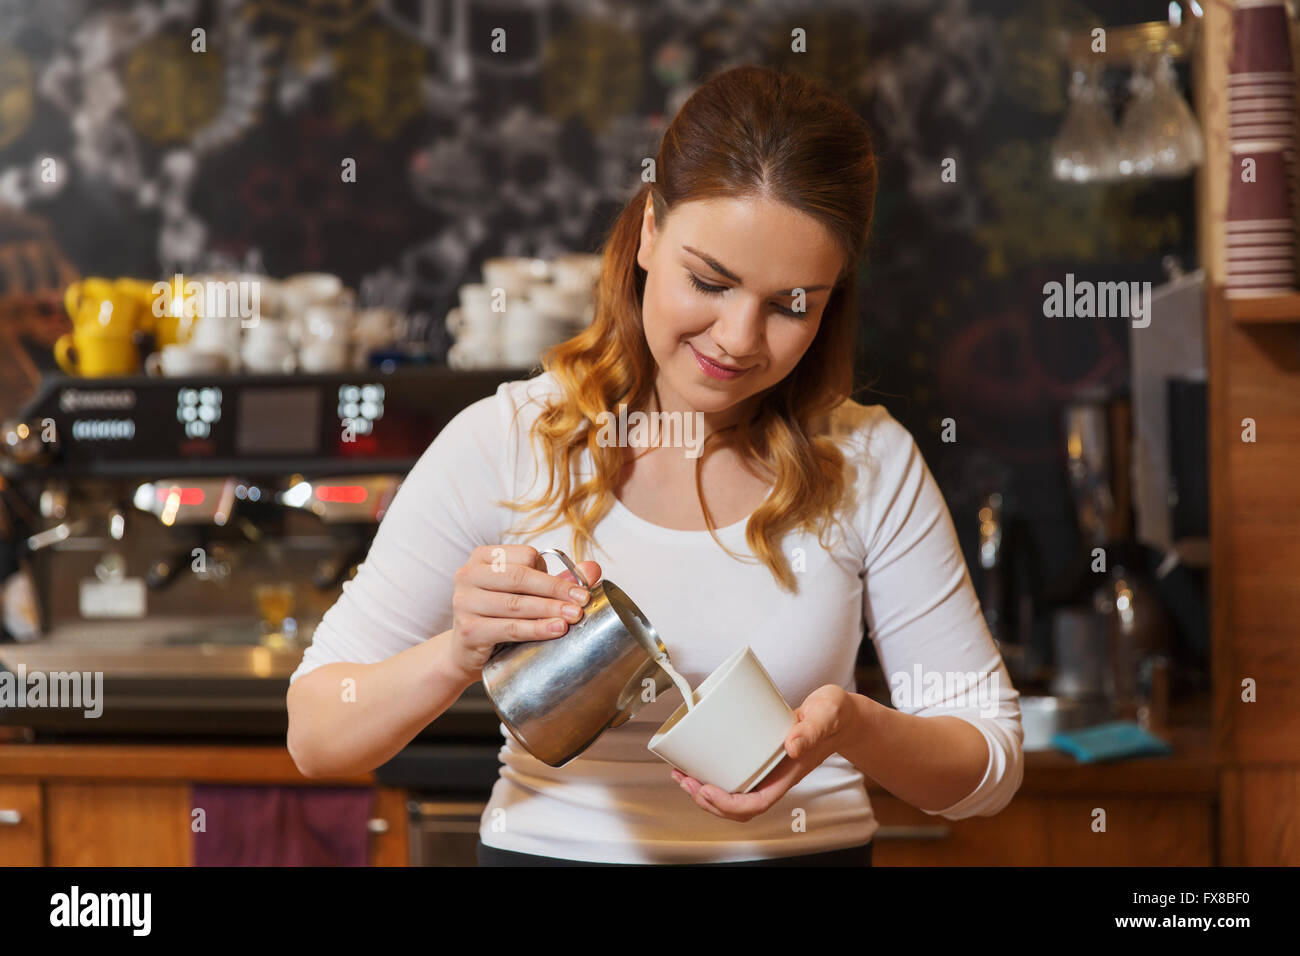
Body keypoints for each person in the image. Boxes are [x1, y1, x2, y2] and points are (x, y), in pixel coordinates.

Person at [286, 65, 1023, 866]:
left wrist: (851, 727)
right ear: (646, 235)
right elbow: (318, 736)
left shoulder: (868, 458)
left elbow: (989, 767)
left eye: (791, 305)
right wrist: (457, 652)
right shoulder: (506, 442)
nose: (740, 337)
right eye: (709, 281)